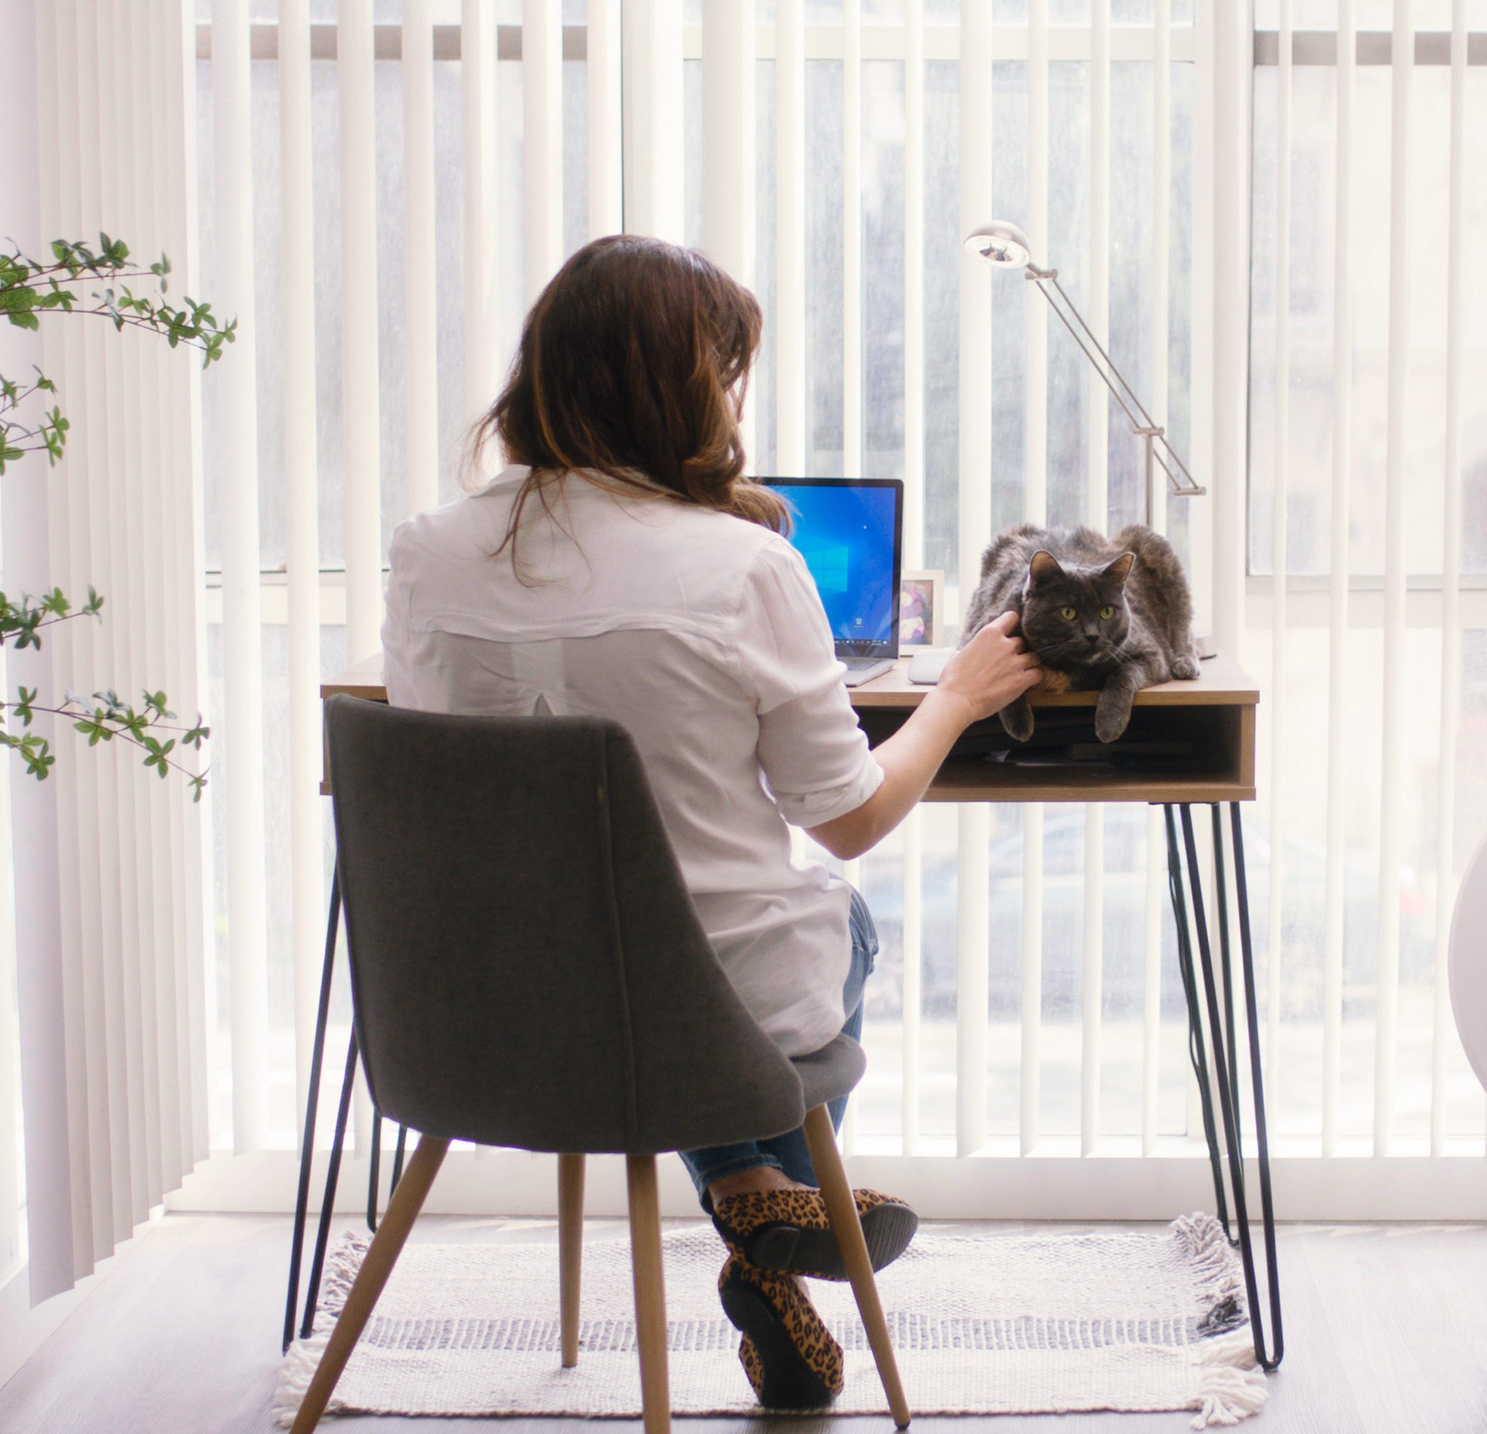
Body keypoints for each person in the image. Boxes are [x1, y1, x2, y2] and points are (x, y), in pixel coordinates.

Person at [380, 234, 1038, 1408]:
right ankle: (751, 1197)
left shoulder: (425, 554)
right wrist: (953, 698)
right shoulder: (744, 567)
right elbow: (847, 818)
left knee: (644, 966)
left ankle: (749, 1197)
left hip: (477, 1015)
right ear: (683, 388)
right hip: (698, 1017)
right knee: (842, 924)